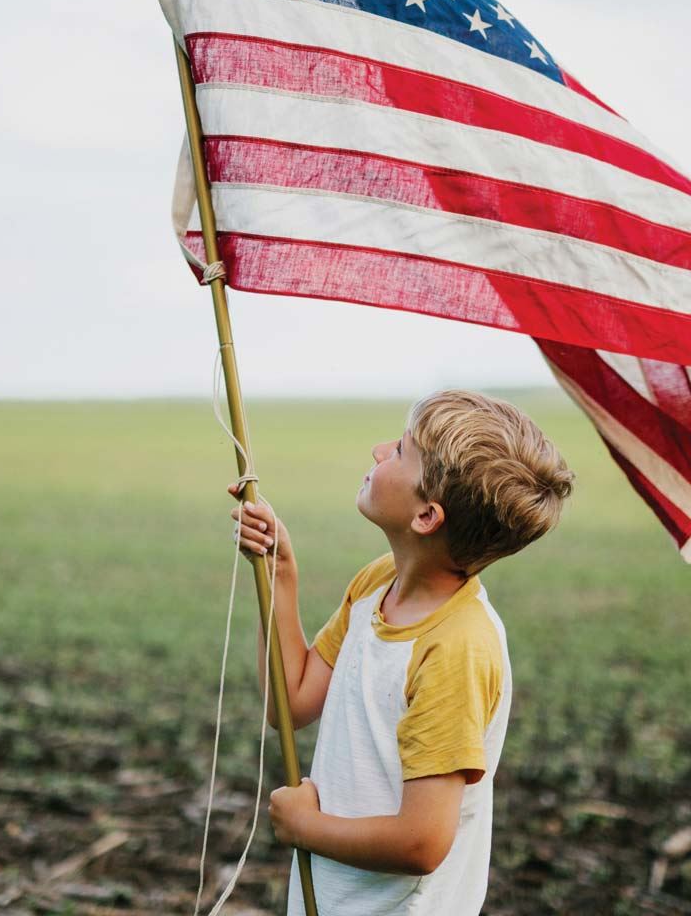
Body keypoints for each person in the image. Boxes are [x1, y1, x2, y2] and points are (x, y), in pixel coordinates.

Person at [227, 389, 574, 915]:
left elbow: (422, 842)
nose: (377, 449)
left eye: (400, 452)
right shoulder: (377, 583)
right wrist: (280, 573)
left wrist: (307, 826)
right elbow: (290, 702)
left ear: (427, 516)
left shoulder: (457, 647)